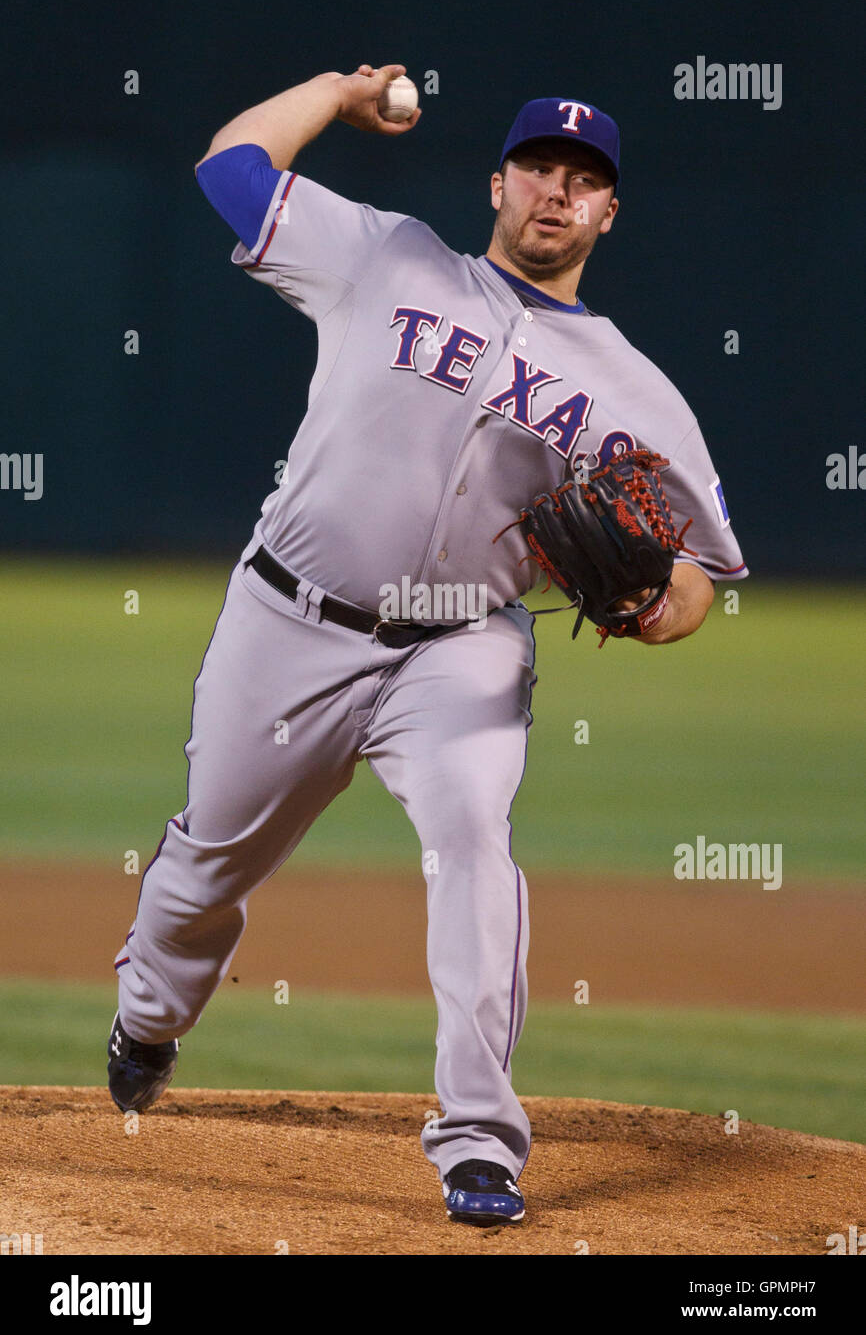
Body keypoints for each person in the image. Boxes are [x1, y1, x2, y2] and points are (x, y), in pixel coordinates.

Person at [107, 64, 747, 1227]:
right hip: (288, 620)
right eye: (541, 168)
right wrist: (336, 93)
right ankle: (148, 1015)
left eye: (585, 181)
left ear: (609, 213)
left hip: (461, 646)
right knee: (207, 865)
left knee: (472, 848)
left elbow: (699, 566)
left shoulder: (637, 394)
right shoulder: (384, 256)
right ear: (495, 181)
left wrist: (667, 609)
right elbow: (231, 167)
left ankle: (478, 1148)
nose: (558, 191)